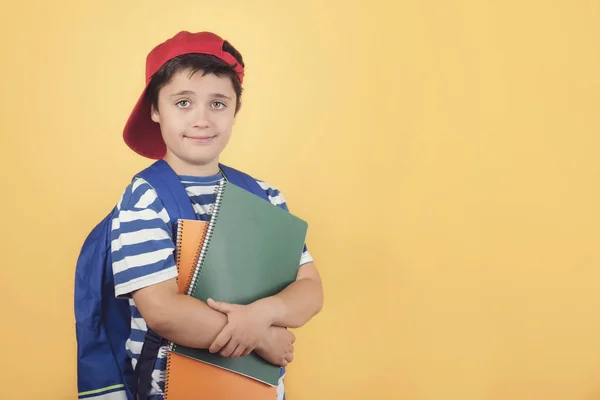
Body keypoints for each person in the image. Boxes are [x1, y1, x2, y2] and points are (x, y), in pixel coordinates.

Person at [111, 30, 324, 399]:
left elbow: (310, 290)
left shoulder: (266, 196)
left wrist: (262, 314)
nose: (202, 119)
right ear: (155, 110)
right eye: (182, 103)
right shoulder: (144, 199)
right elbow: (162, 310)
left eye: (218, 104)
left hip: (257, 390)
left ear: (235, 111)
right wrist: (260, 337)